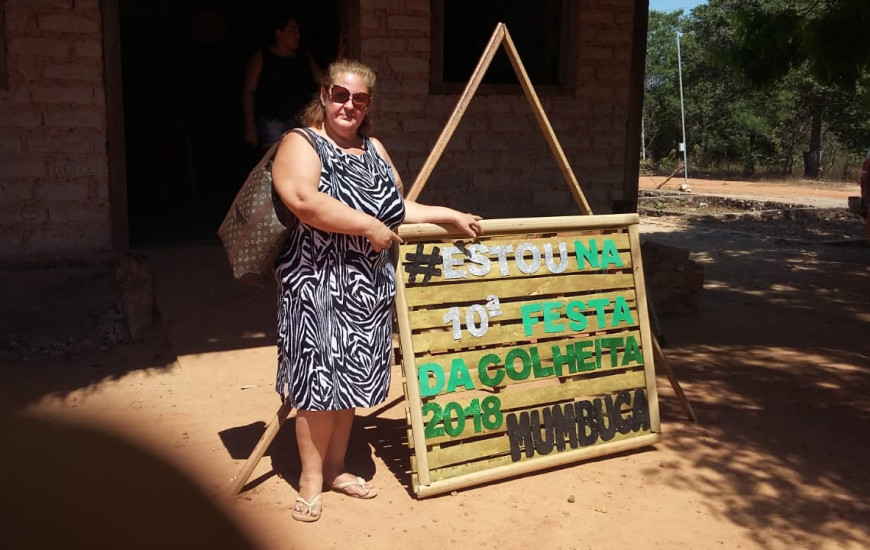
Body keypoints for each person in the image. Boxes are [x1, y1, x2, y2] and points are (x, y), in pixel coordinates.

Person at [270, 58, 483, 522]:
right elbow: (305, 201)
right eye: (340, 95)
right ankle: (309, 482)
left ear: (368, 106)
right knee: (317, 384)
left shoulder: (373, 149)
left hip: (367, 287)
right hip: (317, 285)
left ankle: (335, 468)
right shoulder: (301, 142)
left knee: (350, 383)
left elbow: (396, 208)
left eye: (359, 99)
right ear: (324, 96)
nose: (349, 105)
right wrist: (368, 226)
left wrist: (448, 214)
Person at [242, 12, 344, 149]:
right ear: (279, 34)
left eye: (298, 31)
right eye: (292, 31)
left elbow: (323, 79)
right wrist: (250, 125)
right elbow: (249, 91)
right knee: (277, 163)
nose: (298, 35)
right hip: (273, 123)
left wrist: (340, 54)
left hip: (302, 120)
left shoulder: (304, 56)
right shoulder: (263, 57)